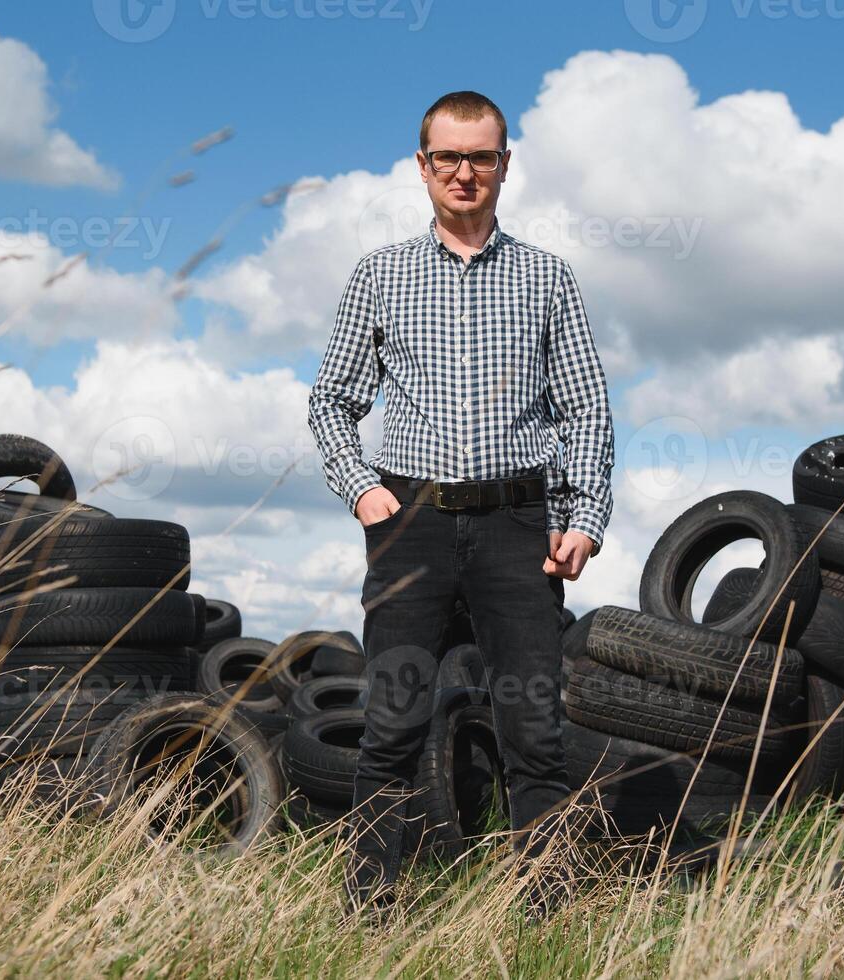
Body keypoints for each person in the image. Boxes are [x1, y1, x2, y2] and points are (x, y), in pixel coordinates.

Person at [306, 90, 614, 918]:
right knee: (394, 724)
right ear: (424, 166)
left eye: (482, 156)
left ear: (505, 165)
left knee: (535, 732)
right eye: (449, 157)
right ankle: (372, 907)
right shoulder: (380, 275)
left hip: (520, 529)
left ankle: (545, 912)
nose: (465, 172)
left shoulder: (548, 276)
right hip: (411, 526)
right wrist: (364, 492)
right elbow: (331, 400)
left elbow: (585, 408)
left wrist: (583, 517)